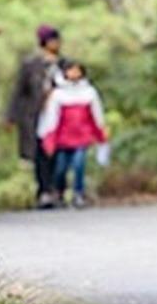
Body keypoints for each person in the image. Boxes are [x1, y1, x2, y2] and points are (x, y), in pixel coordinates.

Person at [36, 59, 107, 209]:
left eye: (77, 70)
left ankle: (78, 193)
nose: (74, 74)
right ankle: (59, 191)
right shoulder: (58, 94)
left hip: (82, 136)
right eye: (71, 70)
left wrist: (101, 134)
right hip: (63, 137)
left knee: (79, 164)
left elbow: (97, 114)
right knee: (60, 167)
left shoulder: (89, 92)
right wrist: (48, 137)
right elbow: (51, 118)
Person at [6, 25, 65, 207]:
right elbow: (19, 92)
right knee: (40, 154)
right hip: (36, 116)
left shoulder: (64, 64)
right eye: (53, 40)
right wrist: (11, 116)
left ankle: (58, 190)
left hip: (61, 117)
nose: (57, 44)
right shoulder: (31, 65)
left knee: (59, 153)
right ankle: (44, 191)